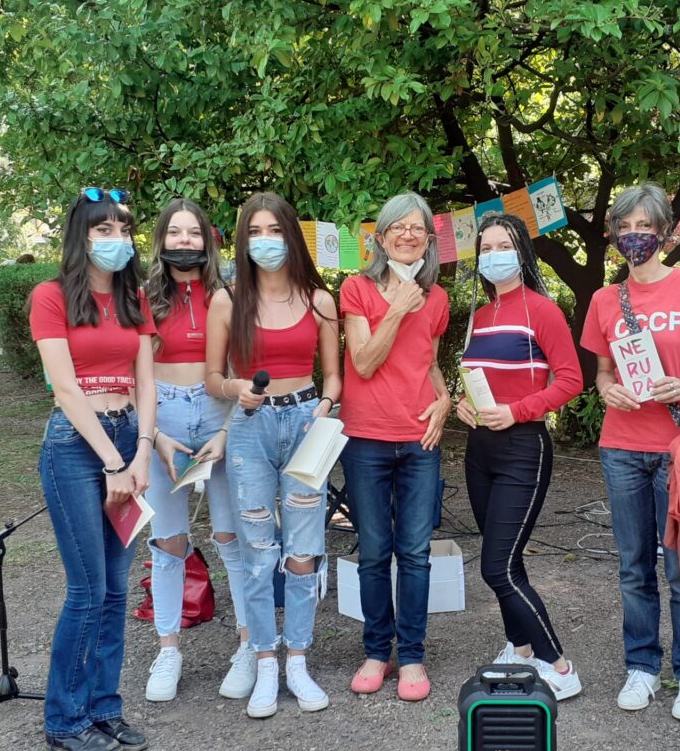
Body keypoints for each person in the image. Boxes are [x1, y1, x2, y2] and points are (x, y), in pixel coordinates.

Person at [580, 183, 680, 722]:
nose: (634, 235)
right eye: (625, 227)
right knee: (633, 567)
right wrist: (606, 390)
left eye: (644, 225)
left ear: (664, 230)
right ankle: (641, 666)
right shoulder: (604, 299)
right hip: (621, 446)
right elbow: (600, 373)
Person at [205, 192, 341, 719]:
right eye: (254, 232)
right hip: (250, 429)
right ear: (243, 241)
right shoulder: (228, 299)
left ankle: (299, 660)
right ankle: (265, 661)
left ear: (293, 235)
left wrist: (325, 406)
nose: (265, 241)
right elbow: (212, 378)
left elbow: (333, 375)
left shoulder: (319, 300)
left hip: (308, 422)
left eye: (275, 230)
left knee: (304, 550)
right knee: (259, 551)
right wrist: (237, 386)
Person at [28, 187, 154, 751]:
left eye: (123, 230)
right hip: (78, 449)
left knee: (116, 590)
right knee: (87, 589)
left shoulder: (134, 298)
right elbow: (64, 387)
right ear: (81, 237)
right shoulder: (50, 296)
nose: (116, 241)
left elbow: (147, 381)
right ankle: (65, 721)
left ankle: (105, 709)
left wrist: (142, 452)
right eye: (103, 231)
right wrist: (112, 462)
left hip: (129, 437)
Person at [456, 212, 584, 700]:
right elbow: (478, 376)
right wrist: (467, 406)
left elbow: (571, 379)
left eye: (502, 245)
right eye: (485, 248)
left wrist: (518, 411)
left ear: (522, 252)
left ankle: (560, 665)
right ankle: (520, 648)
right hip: (479, 449)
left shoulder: (541, 310)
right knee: (505, 557)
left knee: (497, 568)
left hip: (523, 448)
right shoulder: (481, 314)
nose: (493, 255)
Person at [339, 191, 452, 702]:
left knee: (415, 552)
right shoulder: (356, 289)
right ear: (380, 238)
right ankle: (375, 651)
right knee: (372, 554)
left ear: (429, 240)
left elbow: (426, 362)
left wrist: (446, 401)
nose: (408, 235)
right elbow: (363, 362)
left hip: (419, 437)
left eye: (418, 228)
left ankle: (411, 656)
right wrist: (398, 308)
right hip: (366, 438)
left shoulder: (440, 298)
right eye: (397, 227)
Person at [141, 198, 251, 703]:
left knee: (234, 535)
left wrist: (227, 429)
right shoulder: (141, 297)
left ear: (208, 240)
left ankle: (250, 646)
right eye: (175, 233)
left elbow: (241, 365)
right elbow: (131, 372)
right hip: (162, 417)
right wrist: (155, 437)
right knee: (169, 542)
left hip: (219, 413)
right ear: (161, 239)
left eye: (194, 233)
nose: (185, 241)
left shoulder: (231, 294)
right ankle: (168, 649)